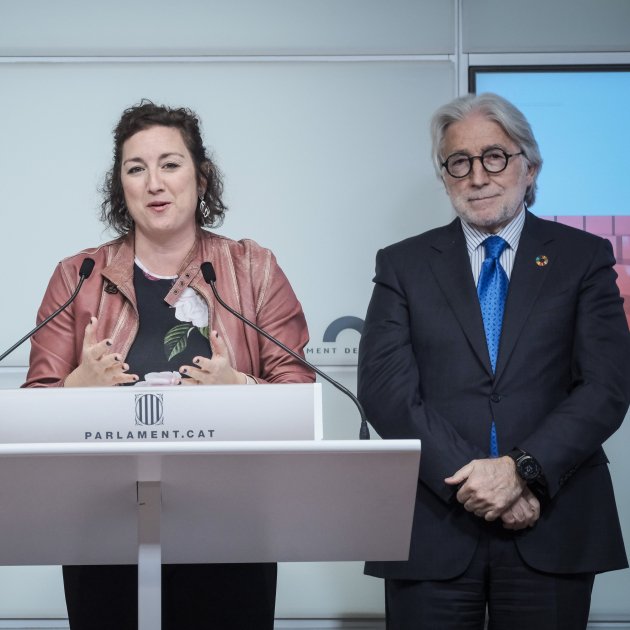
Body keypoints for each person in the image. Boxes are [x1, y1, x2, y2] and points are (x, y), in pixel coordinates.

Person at [24, 100, 314, 629]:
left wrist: (240, 387)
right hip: (102, 532)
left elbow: (299, 392)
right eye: (136, 168)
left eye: (170, 164)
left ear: (201, 178)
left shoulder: (252, 268)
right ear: (121, 186)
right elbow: (29, 416)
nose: (154, 183)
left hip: (232, 529)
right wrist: (74, 388)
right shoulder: (76, 276)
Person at [357, 92, 630, 630]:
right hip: (433, 524)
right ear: (445, 177)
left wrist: (521, 471)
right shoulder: (402, 264)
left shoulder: (583, 257)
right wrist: (478, 482)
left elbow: (607, 386)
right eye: (459, 162)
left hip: (551, 519)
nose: (477, 176)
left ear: (530, 167)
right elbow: (386, 391)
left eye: (495, 157)